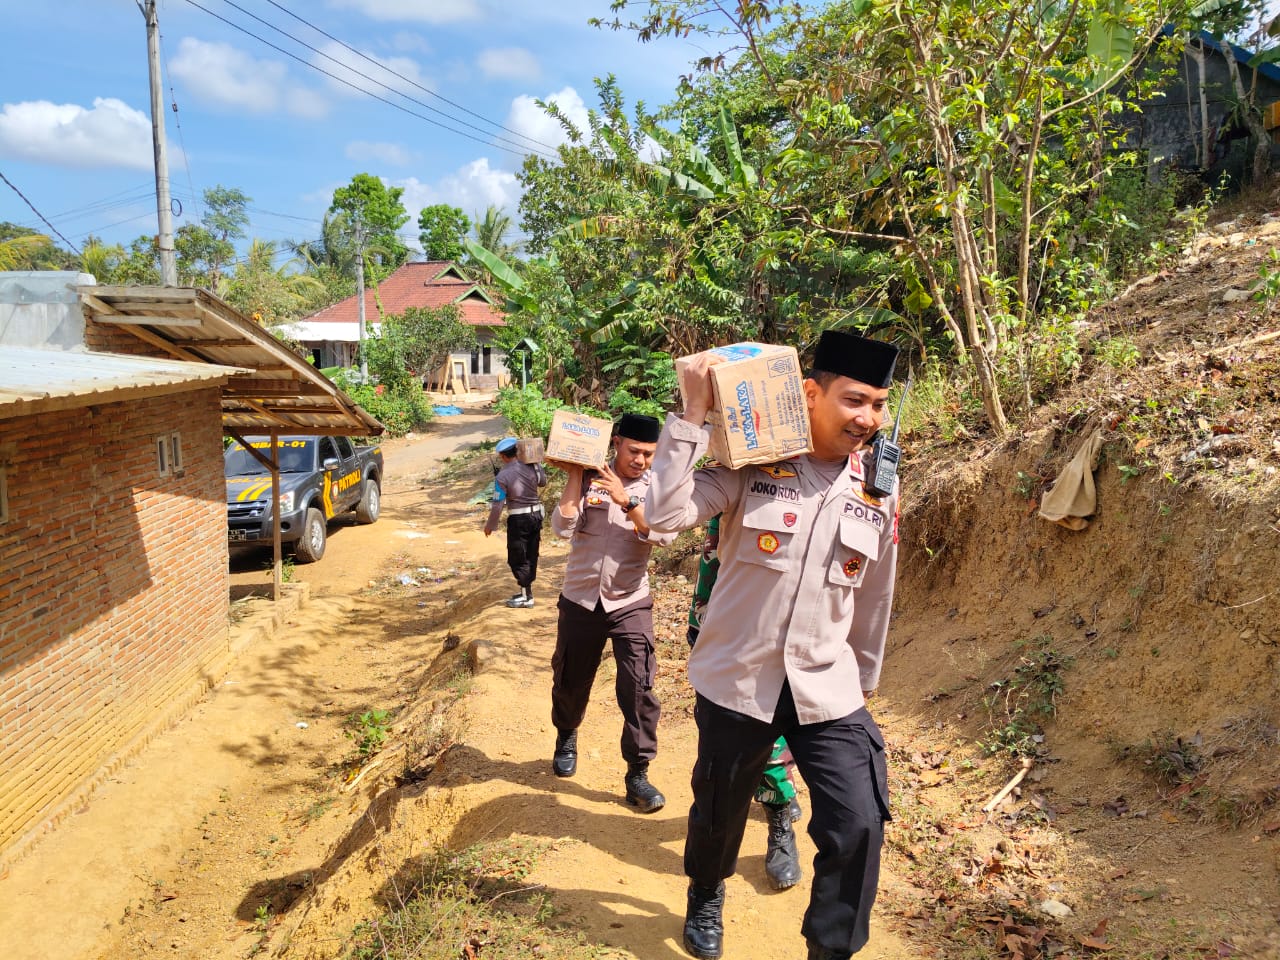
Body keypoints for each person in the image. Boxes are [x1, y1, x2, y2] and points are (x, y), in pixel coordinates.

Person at [646, 331, 902, 960]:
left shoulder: (878, 487)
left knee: (860, 820)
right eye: (854, 400)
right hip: (741, 680)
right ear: (811, 394)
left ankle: (830, 947)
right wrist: (692, 415)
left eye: (877, 404)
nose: (867, 418)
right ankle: (706, 891)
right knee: (719, 809)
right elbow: (659, 516)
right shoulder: (750, 469)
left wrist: (865, 676)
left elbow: (874, 594)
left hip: (826, 685)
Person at [549, 412, 677, 813]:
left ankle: (637, 773)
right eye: (634, 451)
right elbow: (561, 528)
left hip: (629, 601)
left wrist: (629, 501)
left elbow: (664, 535)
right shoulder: (589, 481)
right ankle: (566, 733)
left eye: (649, 454)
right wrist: (574, 475)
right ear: (617, 443)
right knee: (571, 677)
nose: (641, 460)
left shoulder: (657, 489)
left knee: (638, 686)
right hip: (580, 597)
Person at [687, 513, 804, 892]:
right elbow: (712, 557)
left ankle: (779, 814)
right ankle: (774, 811)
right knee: (734, 754)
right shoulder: (737, 479)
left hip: (797, 636)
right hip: (736, 638)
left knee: (774, 740)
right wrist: (700, 622)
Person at [483, 436, 547, 608]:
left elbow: (498, 504)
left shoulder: (503, 476)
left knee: (518, 557)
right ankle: (526, 592)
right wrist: (537, 465)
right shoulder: (532, 466)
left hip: (519, 519)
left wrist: (490, 526)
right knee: (531, 554)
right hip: (536, 517)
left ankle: (527, 598)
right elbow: (543, 482)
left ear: (503, 456)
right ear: (518, 451)